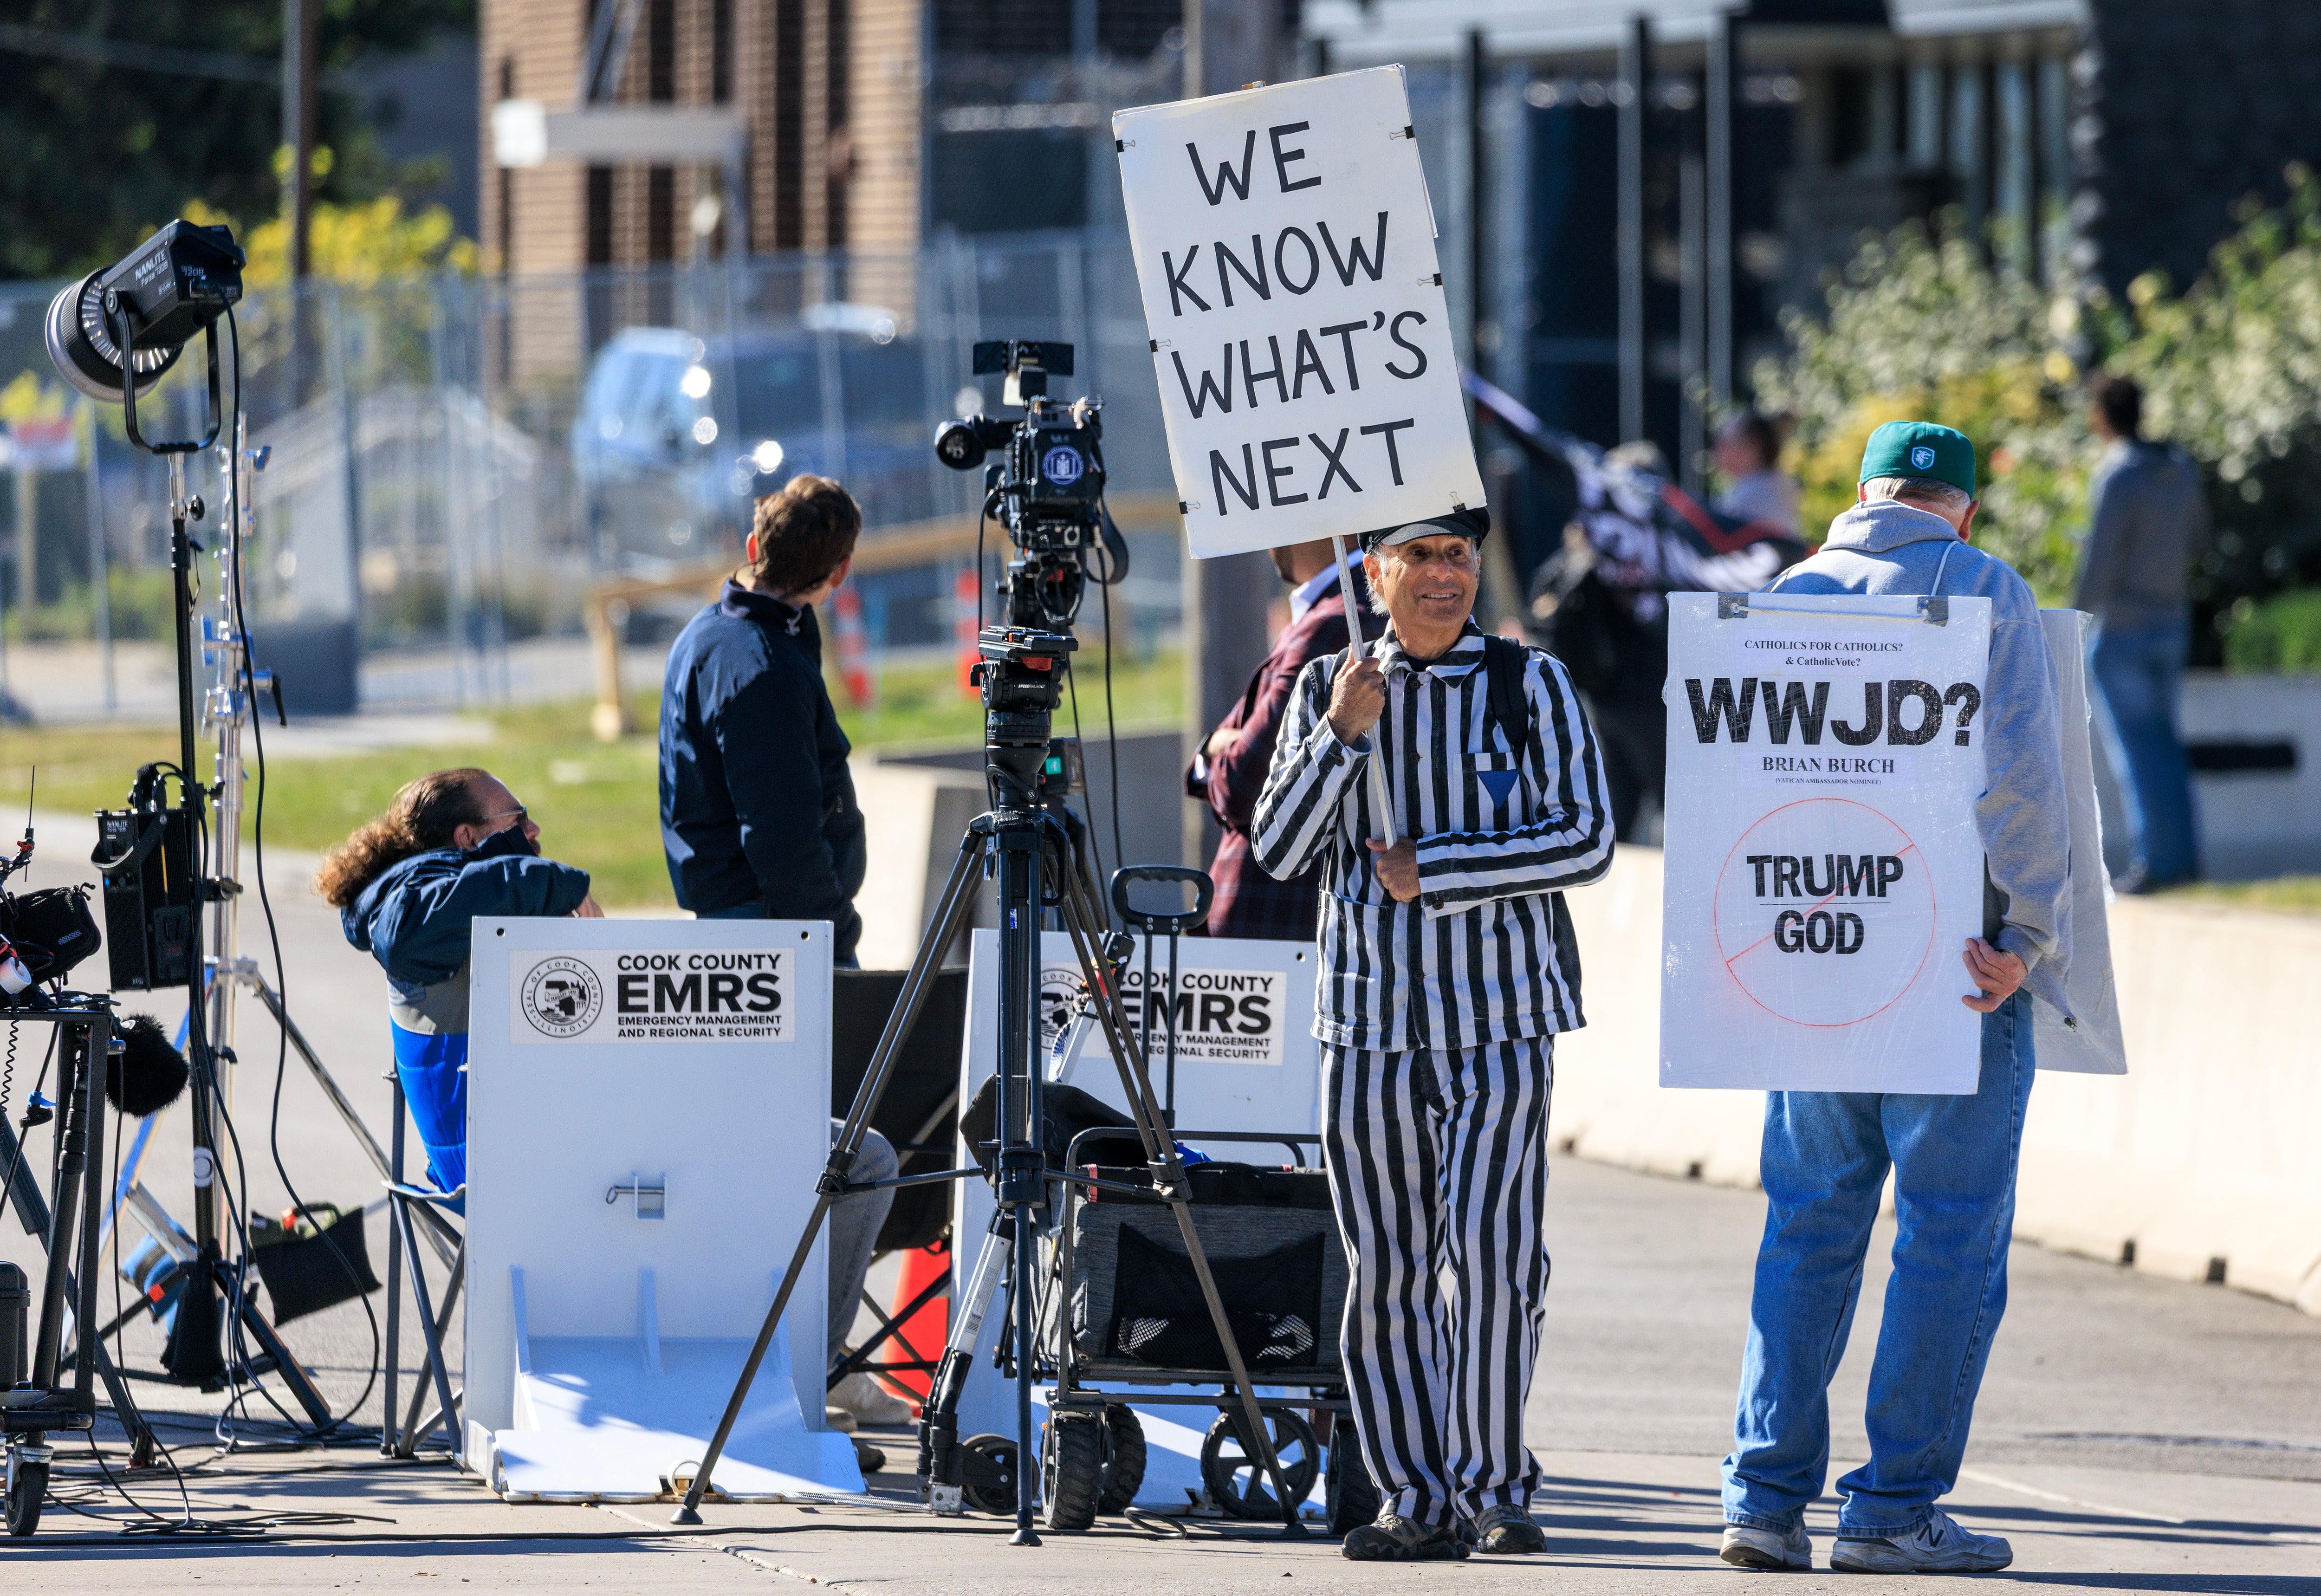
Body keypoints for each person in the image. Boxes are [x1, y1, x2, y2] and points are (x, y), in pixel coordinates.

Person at [1717, 422, 2072, 1576]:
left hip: (1812, 954)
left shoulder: (1785, 595)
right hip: (1949, 963)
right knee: (1946, 1239)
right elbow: (2019, 770)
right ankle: (1891, 1510)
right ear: (1959, 507)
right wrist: (2027, 930)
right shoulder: (1981, 587)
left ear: (1862, 495)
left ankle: (1762, 1501)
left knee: (1808, 1226)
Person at [1251, 508, 1614, 1562]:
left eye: (1459, 555)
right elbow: (1276, 846)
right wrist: (1339, 736)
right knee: (1387, 1272)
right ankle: (1411, 1498)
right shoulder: (1337, 685)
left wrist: (1440, 869)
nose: (1446, 576)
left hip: (1501, 1024)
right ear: (1377, 570)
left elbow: (1588, 836)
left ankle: (1494, 1486)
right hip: (1365, 1030)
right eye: (1424, 556)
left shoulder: (1528, 684)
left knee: (1497, 1262)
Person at [657, 473, 905, 1439]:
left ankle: (808, 1357)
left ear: (750, 539)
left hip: (752, 935)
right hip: (769, 945)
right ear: (840, 571)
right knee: (829, 1161)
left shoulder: (726, 636)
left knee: (818, 1154)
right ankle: (803, 1363)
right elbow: (780, 831)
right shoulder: (753, 662)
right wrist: (828, 935)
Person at [320, 768, 602, 1205]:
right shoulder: (412, 902)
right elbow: (402, 939)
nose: (534, 830)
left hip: (500, 1151)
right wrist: (551, 883)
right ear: (469, 838)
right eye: (518, 818)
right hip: (495, 1168)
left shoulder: (448, 899)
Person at [1187, 538, 1371, 940]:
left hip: (1276, 933)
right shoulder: (1338, 610)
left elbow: (1244, 784)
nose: (1267, 535)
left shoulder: (1340, 619)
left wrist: (1216, 746)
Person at [2077, 373, 2205, 890]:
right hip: (2171, 621)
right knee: (2166, 746)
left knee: (2135, 752)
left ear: (2102, 417)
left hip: (2124, 628)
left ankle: (2156, 863)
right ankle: (2186, 860)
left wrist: (2074, 621)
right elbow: (2197, 536)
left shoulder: (2117, 474)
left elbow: (2099, 561)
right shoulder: (2179, 467)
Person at [1711, 409, 1803, 537]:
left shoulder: (1757, 492)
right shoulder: (1775, 484)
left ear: (1753, 447)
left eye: (1727, 443)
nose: (1718, 450)